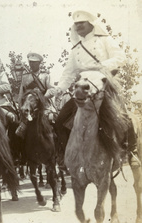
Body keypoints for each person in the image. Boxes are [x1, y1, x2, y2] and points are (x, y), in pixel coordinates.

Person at [55, 10, 139, 168]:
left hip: (104, 83)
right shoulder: (76, 48)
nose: (78, 26)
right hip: (83, 87)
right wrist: (59, 89)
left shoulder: (104, 40)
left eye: (82, 23)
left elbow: (121, 58)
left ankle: (131, 150)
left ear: (91, 24)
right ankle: (67, 154)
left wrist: (101, 66)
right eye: (76, 24)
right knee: (60, 121)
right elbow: (69, 72)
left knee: (123, 114)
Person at [15, 52, 56, 138]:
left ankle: (57, 146)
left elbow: (52, 90)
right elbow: (21, 94)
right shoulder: (25, 77)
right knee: (19, 131)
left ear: (39, 63)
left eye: (34, 62)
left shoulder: (45, 76)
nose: (32, 64)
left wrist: (42, 97)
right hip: (29, 107)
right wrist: (20, 108)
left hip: (44, 106)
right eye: (30, 62)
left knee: (53, 121)